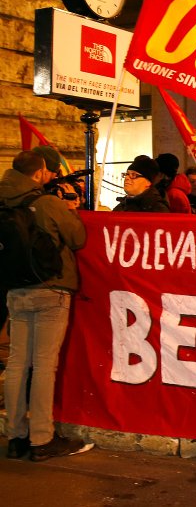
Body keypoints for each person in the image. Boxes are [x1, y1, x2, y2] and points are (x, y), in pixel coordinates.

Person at [0, 150, 87, 461]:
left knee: (17, 363)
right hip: (50, 289)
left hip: (15, 289)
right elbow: (76, 237)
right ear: (38, 173)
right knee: (43, 366)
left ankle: (15, 437)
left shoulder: (3, 201)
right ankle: (42, 438)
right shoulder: (47, 203)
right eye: (47, 172)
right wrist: (69, 207)